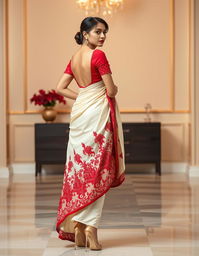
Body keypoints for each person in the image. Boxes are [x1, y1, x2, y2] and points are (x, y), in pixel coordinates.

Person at [55, 16, 125, 251]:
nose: (103, 36)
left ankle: (77, 227)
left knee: (80, 169)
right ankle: (90, 229)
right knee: (99, 170)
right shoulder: (98, 55)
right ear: (85, 34)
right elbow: (110, 89)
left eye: (105, 32)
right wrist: (112, 90)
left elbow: (60, 88)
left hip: (80, 116)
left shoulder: (74, 59)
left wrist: (84, 96)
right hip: (97, 116)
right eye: (98, 32)